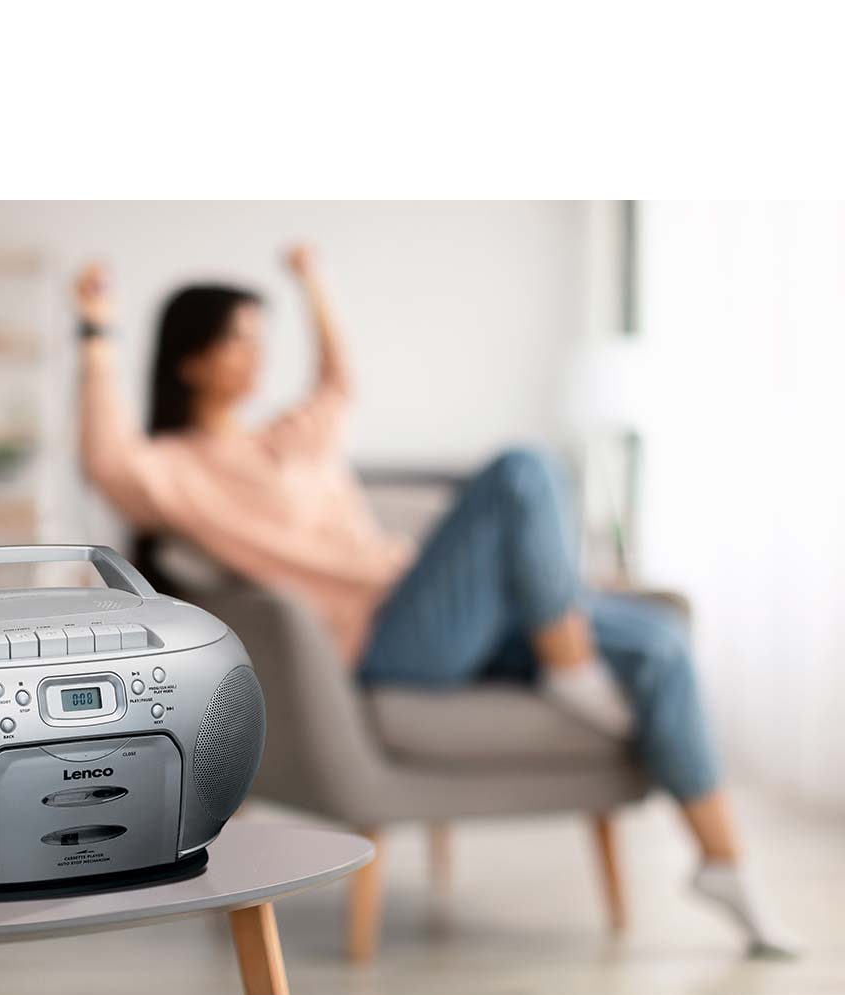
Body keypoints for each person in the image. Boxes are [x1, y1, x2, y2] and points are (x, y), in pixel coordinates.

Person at [74, 247, 794, 958]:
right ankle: (570, 667)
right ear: (191, 359)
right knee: (522, 470)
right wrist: (96, 330)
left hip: (447, 614)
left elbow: (338, 381)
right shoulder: (176, 471)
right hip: (393, 637)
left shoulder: (294, 437)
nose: (256, 355)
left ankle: (723, 867)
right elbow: (106, 458)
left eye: (262, 338)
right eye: (238, 339)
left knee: (659, 639)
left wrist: (314, 283)